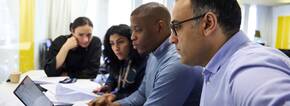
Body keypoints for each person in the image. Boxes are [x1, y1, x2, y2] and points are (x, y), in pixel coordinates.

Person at [170, 0, 290, 105]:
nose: (172, 39)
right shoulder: (216, 67)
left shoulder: (247, 66)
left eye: (177, 27)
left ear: (208, 24)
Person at [89, 2, 203, 106]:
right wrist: (116, 104)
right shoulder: (153, 54)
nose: (132, 37)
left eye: (137, 30)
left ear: (160, 27)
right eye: (132, 31)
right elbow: (142, 95)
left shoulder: (176, 63)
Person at [93, 24, 147, 100]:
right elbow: (112, 77)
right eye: (112, 44)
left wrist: (115, 96)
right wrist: (108, 86)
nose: (116, 48)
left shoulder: (142, 63)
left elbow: (138, 94)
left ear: (131, 42)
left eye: (120, 42)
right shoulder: (117, 60)